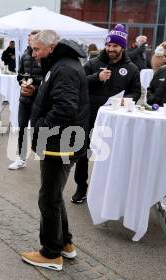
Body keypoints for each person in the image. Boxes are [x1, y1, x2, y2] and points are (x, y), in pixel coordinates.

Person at [20, 30, 89, 271]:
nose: (33, 53)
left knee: (48, 198)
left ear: (51, 47)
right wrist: (36, 92)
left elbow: (64, 109)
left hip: (59, 144)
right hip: (59, 142)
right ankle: (65, 243)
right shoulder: (59, 65)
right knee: (54, 194)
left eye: (36, 49)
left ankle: (51, 253)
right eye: (32, 48)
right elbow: (57, 99)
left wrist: (39, 127)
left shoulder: (65, 68)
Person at [72, 24, 141, 204]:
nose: (111, 49)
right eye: (109, 45)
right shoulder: (93, 63)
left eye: (115, 46)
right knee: (82, 150)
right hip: (89, 113)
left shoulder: (131, 68)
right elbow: (78, 83)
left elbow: (136, 91)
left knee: (112, 152)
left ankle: (108, 189)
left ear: (122, 47)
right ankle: (81, 186)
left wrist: (127, 99)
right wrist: (97, 77)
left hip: (114, 117)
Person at [8, 30, 42, 170]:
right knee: (22, 127)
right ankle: (21, 158)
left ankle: (44, 157)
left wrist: (35, 86)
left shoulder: (44, 56)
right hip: (24, 98)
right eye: (28, 39)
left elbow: (48, 79)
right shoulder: (24, 55)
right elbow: (19, 75)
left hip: (39, 100)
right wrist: (23, 82)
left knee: (38, 129)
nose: (29, 41)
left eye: (32, 39)